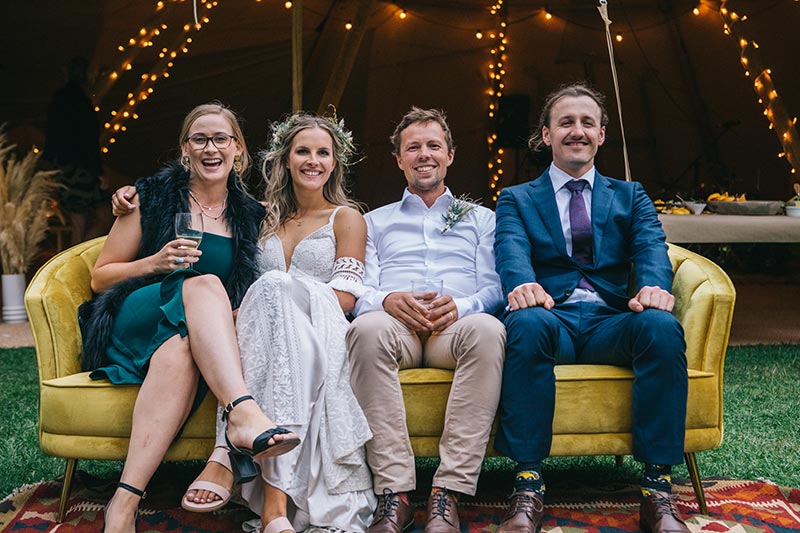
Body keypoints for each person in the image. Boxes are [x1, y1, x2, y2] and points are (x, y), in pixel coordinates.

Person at [113, 113, 376, 533]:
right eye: (302, 151)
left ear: (335, 162)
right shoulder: (261, 217)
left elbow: (346, 295)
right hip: (259, 328)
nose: (312, 160)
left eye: (322, 152)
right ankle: (262, 486)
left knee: (275, 300)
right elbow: (246, 288)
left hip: (318, 327)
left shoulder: (345, 218)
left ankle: (233, 462)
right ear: (284, 160)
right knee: (269, 313)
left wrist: (277, 302)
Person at [85, 102, 300, 533]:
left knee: (180, 352)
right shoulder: (153, 196)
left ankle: (123, 504)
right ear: (185, 149)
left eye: (221, 138)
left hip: (194, 333)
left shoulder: (252, 214)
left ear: (238, 149)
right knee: (203, 284)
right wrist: (155, 264)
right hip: (136, 315)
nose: (210, 147)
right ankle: (241, 411)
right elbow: (100, 279)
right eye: (199, 139)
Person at [493, 83, 689, 533]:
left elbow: (650, 246)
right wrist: (522, 284)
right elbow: (510, 249)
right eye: (565, 122)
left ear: (602, 134)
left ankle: (657, 491)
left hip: (612, 320)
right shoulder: (517, 198)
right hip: (552, 317)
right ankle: (527, 484)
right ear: (546, 135)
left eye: (587, 123)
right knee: (524, 323)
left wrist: (655, 288)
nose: (576, 131)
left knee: (661, 327)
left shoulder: (631, 194)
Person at [346, 107, 506, 533]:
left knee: (490, 330)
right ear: (398, 159)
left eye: (433, 145)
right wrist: (386, 300)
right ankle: (393, 492)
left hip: (454, 327)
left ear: (450, 154)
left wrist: (463, 307)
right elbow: (360, 288)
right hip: (394, 325)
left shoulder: (482, 219)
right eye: (412, 147)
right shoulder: (373, 221)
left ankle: (448, 493)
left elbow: (495, 288)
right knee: (364, 329)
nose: (424, 154)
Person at [42, 56, 111, 245]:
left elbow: (52, 137)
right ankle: (77, 266)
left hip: (63, 167)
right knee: (100, 218)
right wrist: (98, 171)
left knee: (79, 222)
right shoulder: (81, 102)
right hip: (80, 169)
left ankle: (77, 264)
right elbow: (86, 140)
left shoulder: (59, 99)